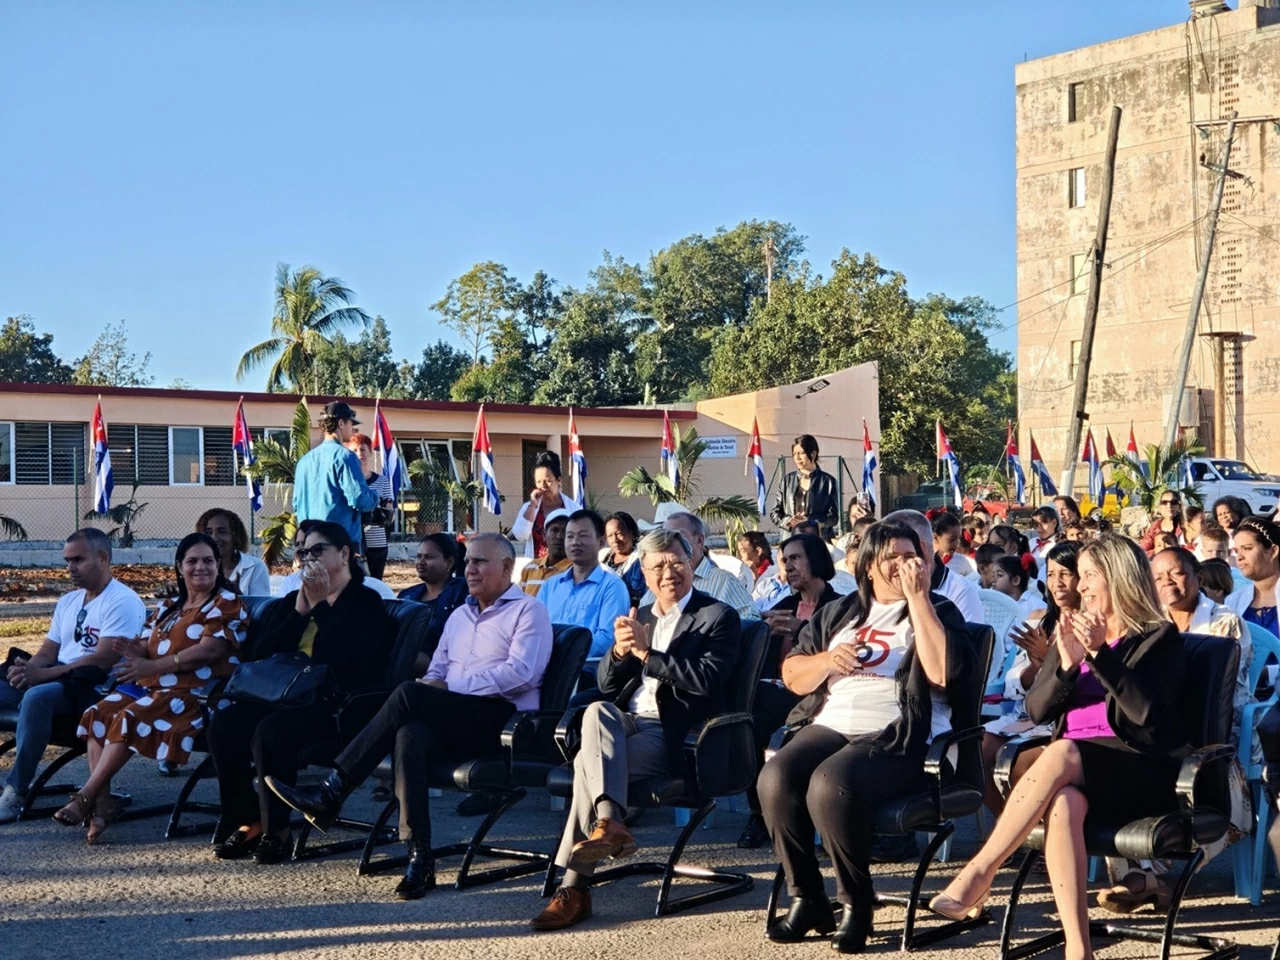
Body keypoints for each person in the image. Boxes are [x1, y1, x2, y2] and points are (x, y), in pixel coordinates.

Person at [931, 536, 1189, 960]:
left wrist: (1101, 655)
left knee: (1064, 752)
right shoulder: (1070, 630)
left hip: (1141, 770)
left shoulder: (1158, 637)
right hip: (1078, 771)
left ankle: (981, 870)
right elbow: (1036, 709)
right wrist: (1066, 666)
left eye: (1090, 575)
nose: (1081, 586)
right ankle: (1078, 947)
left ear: (1119, 578)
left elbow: (1149, 718)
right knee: (1064, 802)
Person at [266, 534, 554, 899]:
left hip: (505, 721)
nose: (471, 569)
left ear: (507, 567)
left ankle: (333, 789)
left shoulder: (529, 611)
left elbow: (521, 674)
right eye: (468, 562)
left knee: (407, 693)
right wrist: (436, 685)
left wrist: (449, 687)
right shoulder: (461, 616)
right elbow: (437, 670)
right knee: (410, 735)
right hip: (457, 717)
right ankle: (420, 856)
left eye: (480, 562)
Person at [760, 519, 976, 953]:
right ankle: (807, 898)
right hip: (832, 722)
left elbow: (942, 676)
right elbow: (793, 676)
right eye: (891, 557)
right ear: (869, 566)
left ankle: (857, 904)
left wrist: (918, 601)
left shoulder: (938, 610)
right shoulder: (839, 612)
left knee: (830, 783)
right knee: (775, 777)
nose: (903, 565)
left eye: (910, 556)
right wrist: (825, 661)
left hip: (900, 733)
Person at [530, 528, 741, 931]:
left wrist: (647, 653)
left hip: (673, 732)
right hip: (622, 723)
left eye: (676, 562)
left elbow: (707, 681)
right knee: (596, 710)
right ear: (643, 573)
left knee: (585, 774)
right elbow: (608, 686)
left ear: (692, 563)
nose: (668, 572)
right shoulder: (640, 614)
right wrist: (619, 651)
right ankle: (611, 823)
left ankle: (573, 889)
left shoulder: (717, 617)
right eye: (657, 565)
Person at [207, 522, 392, 866]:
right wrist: (300, 613)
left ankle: (277, 830)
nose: (309, 557)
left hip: (334, 707)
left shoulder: (366, 602)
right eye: (304, 551)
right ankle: (248, 817)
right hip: (280, 696)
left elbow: (355, 661)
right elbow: (259, 655)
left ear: (345, 555)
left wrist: (322, 607)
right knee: (225, 723)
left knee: (271, 732)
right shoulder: (293, 600)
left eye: (318, 550)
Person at [59, 534, 245, 842]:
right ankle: (102, 805)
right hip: (153, 690)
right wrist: (134, 651)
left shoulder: (225, 603)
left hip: (193, 695)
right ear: (180, 567)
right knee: (98, 714)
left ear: (218, 566)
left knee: (128, 718)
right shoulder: (170, 605)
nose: (201, 567)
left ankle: (86, 796)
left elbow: (210, 651)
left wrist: (155, 665)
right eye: (193, 561)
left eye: (208, 560)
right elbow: (147, 644)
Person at [1097, 546, 1252, 914]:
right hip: (1158, 732)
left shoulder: (1223, 622)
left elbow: (1221, 696)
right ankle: (1145, 877)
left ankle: (1144, 878)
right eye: (1158, 576)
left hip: (1213, 731)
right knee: (1108, 771)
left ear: (1198, 576)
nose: (1167, 582)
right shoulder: (1145, 626)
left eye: (1177, 573)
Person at [0, 530, 147, 824]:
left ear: (103, 558)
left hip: (92, 688)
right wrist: (27, 670)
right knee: (24, 688)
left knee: (37, 697)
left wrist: (40, 676)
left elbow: (102, 659)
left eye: (78, 560)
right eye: (67, 560)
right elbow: (47, 651)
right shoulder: (69, 601)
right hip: (58, 679)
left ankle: (15, 792)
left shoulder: (123, 601)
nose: (70, 568)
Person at [739, 534, 839, 849]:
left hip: (818, 692)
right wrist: (763, 633)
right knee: (744, 718)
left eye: (796, 558)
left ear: (817, 560)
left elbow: (839, 654)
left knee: (753, 710)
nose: (788, 567)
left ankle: (775, 813)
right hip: (777, 690)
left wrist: (801, 630)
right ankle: (759, 812)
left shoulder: (838, 607)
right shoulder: (782, 606)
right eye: (785, 560)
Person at [981, 541, 1082, 815]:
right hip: (1029, 712)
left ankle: (1038, 838)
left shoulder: (1093, 623)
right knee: (978, 753)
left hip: (1066, 716)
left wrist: (1053, 661)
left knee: (1017, 762)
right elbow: (1014, 685)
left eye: (1066, 574)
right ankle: (1014, 836)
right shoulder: (1039, 620)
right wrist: (1037, 666)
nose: (1057, 582)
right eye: (1051, 574)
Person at [538, 510, 631, 671]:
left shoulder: (612, 587)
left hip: (584, 672)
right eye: (570, 536)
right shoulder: (549, 586)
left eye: (583, 535)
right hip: (543, 669)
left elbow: (607, 639)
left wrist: (563, 652)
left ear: (601, 541)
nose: (575, 542)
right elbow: (534, 627)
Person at [640, 511, 756, 621]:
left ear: (700, 540)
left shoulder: (725, 583)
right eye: (664, 538)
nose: (670, 543)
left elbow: (751, 623)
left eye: (678, 536)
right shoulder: (657, 587)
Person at [292, 401, 377, 549]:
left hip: (308, 544)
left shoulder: (304, 462)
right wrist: (375, 498)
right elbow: (359, 499)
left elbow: (296, 504)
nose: (353, 428)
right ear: (341, 423)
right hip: (337, 544)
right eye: (351, 423)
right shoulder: (345, 456)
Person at [398, 533, 468, 666]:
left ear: (449, 562)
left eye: (429, 557)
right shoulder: (407, 595)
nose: (421, 562)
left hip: (446, 666)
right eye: (419, 556)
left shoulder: (462, 591)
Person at [512, 451, 582, 560]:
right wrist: (532, 505)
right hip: (537, 569)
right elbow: (520, 534)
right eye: (538, 482)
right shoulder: (529, 507)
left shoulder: (574, 508)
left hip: (566, 568)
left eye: (548, 481)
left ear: (559, 481)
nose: (543, 486)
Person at [345, 432, 396, 579]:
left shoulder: (382, 480)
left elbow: (388, 510)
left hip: (377, 540)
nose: (359, 454)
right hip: (353, 539)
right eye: (354, 450)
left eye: (362, 449)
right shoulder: (347, 481)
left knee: (375, 581)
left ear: (370, 453)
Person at [771, 435, 839, 536]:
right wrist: (788, 521)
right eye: (794, 454)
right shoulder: (787, 480)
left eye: (801, 453)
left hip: (819, 540)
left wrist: (809, 520)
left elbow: (833, 518)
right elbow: (775, 513)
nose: (797, 458)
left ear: (813, 453)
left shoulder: (828, 481)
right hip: (792, 539)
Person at [1225, 515, 1280, 638]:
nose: (1239, 557)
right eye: (1237, 551)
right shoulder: (1233, 601)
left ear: (1273, 551)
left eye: (1247, 548)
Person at [197, 508, 271, 597]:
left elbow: (261, 607)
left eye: (222, 532)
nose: (214, 538)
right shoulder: (196, 568)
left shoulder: (255, 567)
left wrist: (237, 597)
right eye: (208, 532)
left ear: (235, 536)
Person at [520, 509, 572, 596]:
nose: (559, 537)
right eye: (554, 530)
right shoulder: (530, 567)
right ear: (544, 535)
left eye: (566, 532)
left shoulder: (575, 571)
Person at [602, 511, 646, 603]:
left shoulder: (641, 560)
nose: (615, 540)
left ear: (632, 533)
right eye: (610, 536)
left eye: (619, 534)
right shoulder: (602, 557)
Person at [992, 554, 1047, 622]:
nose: (993, 580)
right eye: (993, 575)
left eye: (999, 575)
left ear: (1016, 580)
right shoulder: (994, 604)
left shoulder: (1036, 605)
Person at [933, 511, 976, 580]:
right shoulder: (925, 562)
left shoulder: (961, 561)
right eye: (952, 539)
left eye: (958, 538)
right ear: (935, 538)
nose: (956, 544)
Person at [1140, 490, 1185, 554]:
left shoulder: (1185, 526)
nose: (1169, 506)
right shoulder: (1155, 527)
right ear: (1160, 507)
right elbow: (1143, 549)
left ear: (1179, 506)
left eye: (1174, 502)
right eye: (1164, 502)